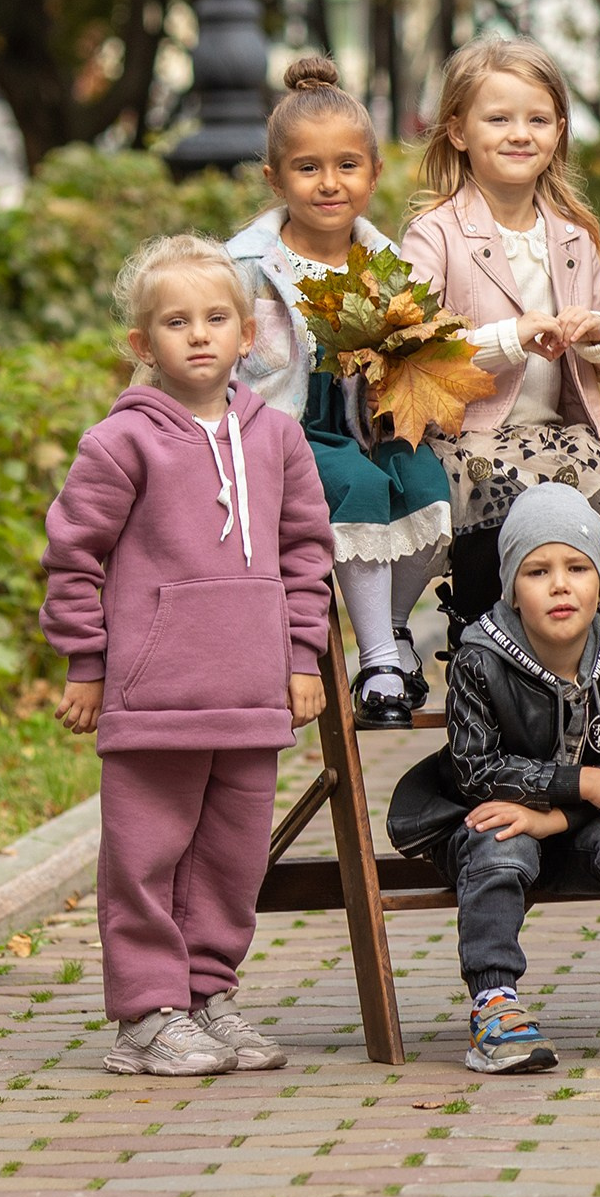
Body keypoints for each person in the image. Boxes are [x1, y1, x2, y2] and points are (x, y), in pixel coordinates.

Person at [41, 235, 334, 1076]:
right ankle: (146, 1014)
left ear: (248, 335)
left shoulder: (277, 437)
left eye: (215, 318)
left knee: (231, 859)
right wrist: (86, 664)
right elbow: (73, 555)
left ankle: (207, 996)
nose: (198, 335)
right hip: (153, 694)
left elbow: (305, 552)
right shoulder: (119, 442)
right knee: (144, 855)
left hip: (250, 693)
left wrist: (301, 657)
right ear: (143, 344)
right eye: (176, 321)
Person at [386, 482, 600, 1073]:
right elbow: (475, 770)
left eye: (578, 567)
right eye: (537, 570)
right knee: (498, 842)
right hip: (492, 816)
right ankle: (495, 1005)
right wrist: (583, 783)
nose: (560, 584)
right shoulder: (478, 659)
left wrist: (560, 812)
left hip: (578, 828)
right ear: (512, 587)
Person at [227, 55, 452, 725]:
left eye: (348, 165)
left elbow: (422, 349)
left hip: (366, 420)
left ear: (375, 173)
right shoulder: (245, 266)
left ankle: (392, 626)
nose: (331, 183)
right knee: (360, 486)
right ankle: (378, 663)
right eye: (308, 168)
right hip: (289, 430)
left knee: (429, 490)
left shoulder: (389, 265)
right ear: (275, 178)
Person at [400, 36, 600, 631]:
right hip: (475, 439)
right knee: (508, 507)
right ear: (458, 131)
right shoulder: (435, 235)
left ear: (559, 130)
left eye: (537, 119)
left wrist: (597, 334)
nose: (520, 133)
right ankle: (483, 625)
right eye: (499, 118)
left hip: (560, 436)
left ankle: (581, 631)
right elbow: (414, 349)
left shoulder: (571, 238)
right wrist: (510, 338)